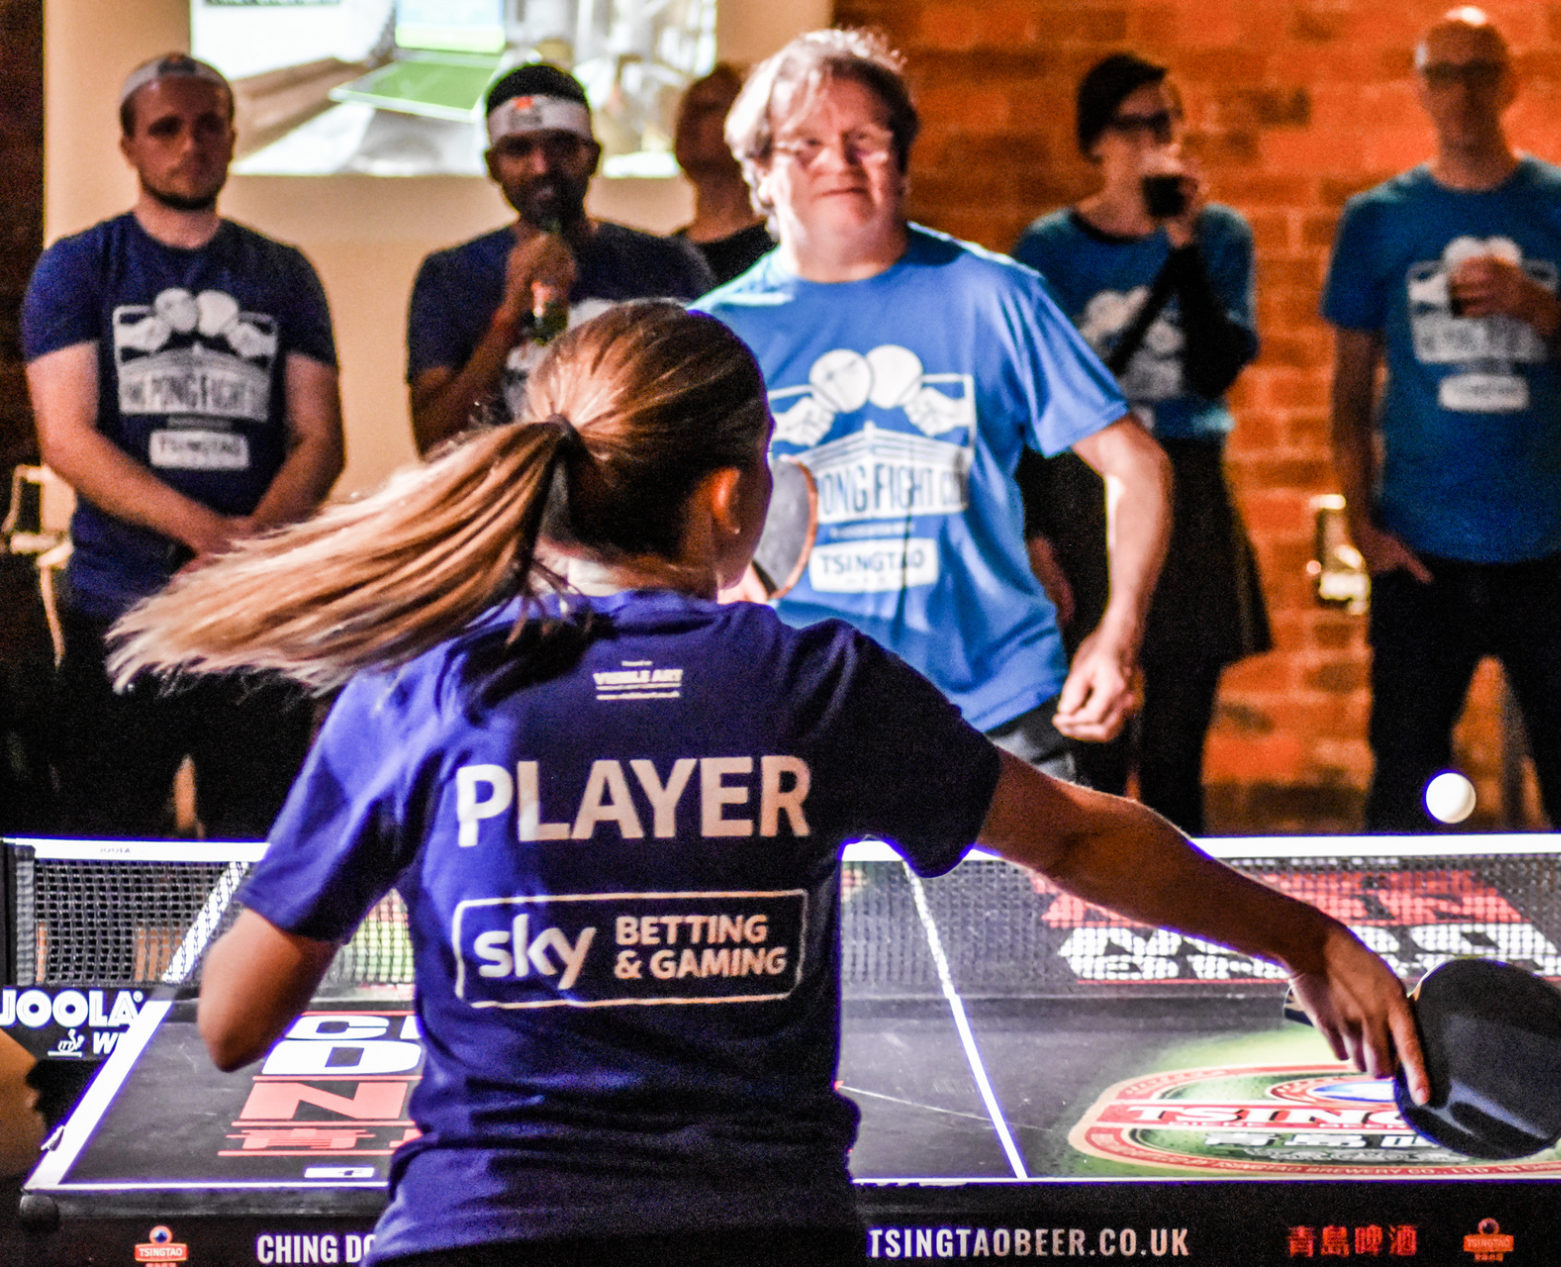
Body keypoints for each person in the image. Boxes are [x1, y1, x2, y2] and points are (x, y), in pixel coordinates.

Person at [107, 301, 1425, 1267]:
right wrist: (1303, 937)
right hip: (763, 1228)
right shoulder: (814, 682)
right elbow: (1079, 839)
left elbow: (232, 1021)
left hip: (478, 1227)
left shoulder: (424, 691)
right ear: (733, 492)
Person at [697, 30, 1173, 782]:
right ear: (760, 168)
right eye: (806, 144)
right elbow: (667, 512)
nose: (839, 162)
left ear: (902, 155)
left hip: (995, 712)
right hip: (800, 713)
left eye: (864, 139)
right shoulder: (719, 332)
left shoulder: (995, 296)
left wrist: (1118, 633)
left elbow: (1137, 465)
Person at [1321, 7, 1561, 832]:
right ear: (1419, 89)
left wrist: (1541, 310)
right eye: (1443, 74)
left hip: (1547, 541)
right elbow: (1349, 397)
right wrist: (1363, 526)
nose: (1461, 93)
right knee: (1403, 789)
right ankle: (1399, 925)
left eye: (1478, 73)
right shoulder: (1378, 219)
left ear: (1511, 85)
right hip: (1422, 549)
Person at [20, 52, 343, 838]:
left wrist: (242, 553)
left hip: (256, 614)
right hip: (122, 606)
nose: (190, 144)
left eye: (208, 126)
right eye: (166, 128)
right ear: (129, 145)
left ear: (231, 137)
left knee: (259, 846)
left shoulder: (284, 273)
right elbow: (66, 438)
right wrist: (212, 537)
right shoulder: (78, 265)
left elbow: (320, 438)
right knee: (102, 848)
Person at [1013, 52, 1268, 832]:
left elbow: (1215, 369)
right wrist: (1034, 531)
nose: (1153, 140)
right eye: (1133, 125)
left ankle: (1177, 882)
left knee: (1177, 742)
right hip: (1080, 488)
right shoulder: (1050, 248)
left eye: (1165, 122)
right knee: (1090, 737)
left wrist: (1183, 243)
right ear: (1096, 140)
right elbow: (1023, 401)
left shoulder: (1218, 236)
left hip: (1186, 480)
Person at [406, 62, 712, 453]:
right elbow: (434, 441)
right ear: (492, 166)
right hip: (507, 492)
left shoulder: (670, 265)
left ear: (593, 156)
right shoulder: (450, 276)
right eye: (519, 149)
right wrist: (508, 318)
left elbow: (711, 407)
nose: (542, 167)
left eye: (561, 145)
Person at [672, 64, 775, 286]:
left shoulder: (776, 257)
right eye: (686, 109)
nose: (689, 120)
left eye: (708, 108)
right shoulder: (665, 258)